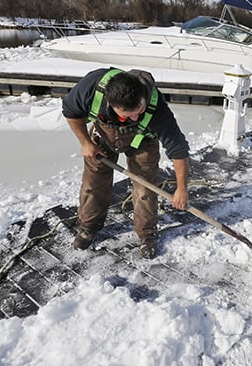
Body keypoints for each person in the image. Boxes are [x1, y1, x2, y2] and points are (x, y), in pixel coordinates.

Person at [62, 68, 190, 259]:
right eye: (127, 115)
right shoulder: (91, 88)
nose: (135, 118)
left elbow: (178, 148)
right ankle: (89, 227)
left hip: (143, 141)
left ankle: (147, 235)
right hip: (102, 138)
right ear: (111, 104)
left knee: (145, 189)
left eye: (139, 111)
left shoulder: (157, 108)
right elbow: (71, 111)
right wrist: (86, 143)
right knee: (92, 185)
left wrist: (182, 188)